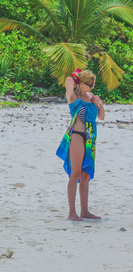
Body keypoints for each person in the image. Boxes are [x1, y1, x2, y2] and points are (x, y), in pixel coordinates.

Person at [56, 69, 105, 221]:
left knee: (85, 175)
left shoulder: (91, 97)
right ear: (82, 83)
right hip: (77, 135)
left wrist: (99, 104)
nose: (92, 87)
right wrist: (76, 79)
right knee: (76, 173)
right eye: (90, 84)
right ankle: (72, 212)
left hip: (90, 138)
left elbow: (101, 117)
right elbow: (68, 82)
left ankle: (85, 210)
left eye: (93, 84)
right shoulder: (73, 96)